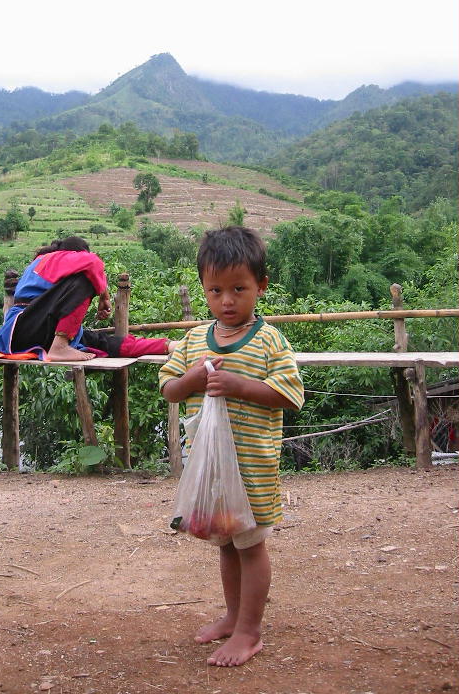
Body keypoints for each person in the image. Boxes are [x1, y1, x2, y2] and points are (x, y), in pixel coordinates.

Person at [159, 226, 304, 667]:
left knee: (251, 544)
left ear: (260, 286)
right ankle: (231, 616)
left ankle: (248, 631)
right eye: (215, 289)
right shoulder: (193, 341)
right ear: (204, 287)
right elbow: (170, 389)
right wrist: (194, 379)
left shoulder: (268, 341)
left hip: (253, 468)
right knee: (227, 543)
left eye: (239, 289)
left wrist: (240, 385)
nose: (226, 301)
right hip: (215, 471)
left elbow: (290, 395)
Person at [0, 236, 176, 362]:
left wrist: (169, 347)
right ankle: (60, 347)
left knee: (106, 343)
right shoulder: (55, 257)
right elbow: (94, 263)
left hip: (38, 331)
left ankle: (168, 345)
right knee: (85, 279)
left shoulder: (52, 269)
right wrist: (104, 296)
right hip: (24, 326)